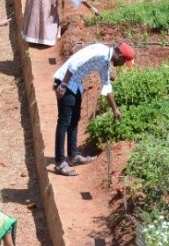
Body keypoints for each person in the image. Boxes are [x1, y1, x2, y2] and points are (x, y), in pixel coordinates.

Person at [51, 42, 134, 175]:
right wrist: (63, 85)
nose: (123, 64)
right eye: (124, 61)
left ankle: (73, 154)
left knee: (74, 119)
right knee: (64, 122)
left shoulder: (106, 62)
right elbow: (74, 63)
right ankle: (60, 163)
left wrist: (115, 109)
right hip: (65, 82)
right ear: (119, 56)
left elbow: (106, 85)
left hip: (75, 83)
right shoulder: (100, 52)